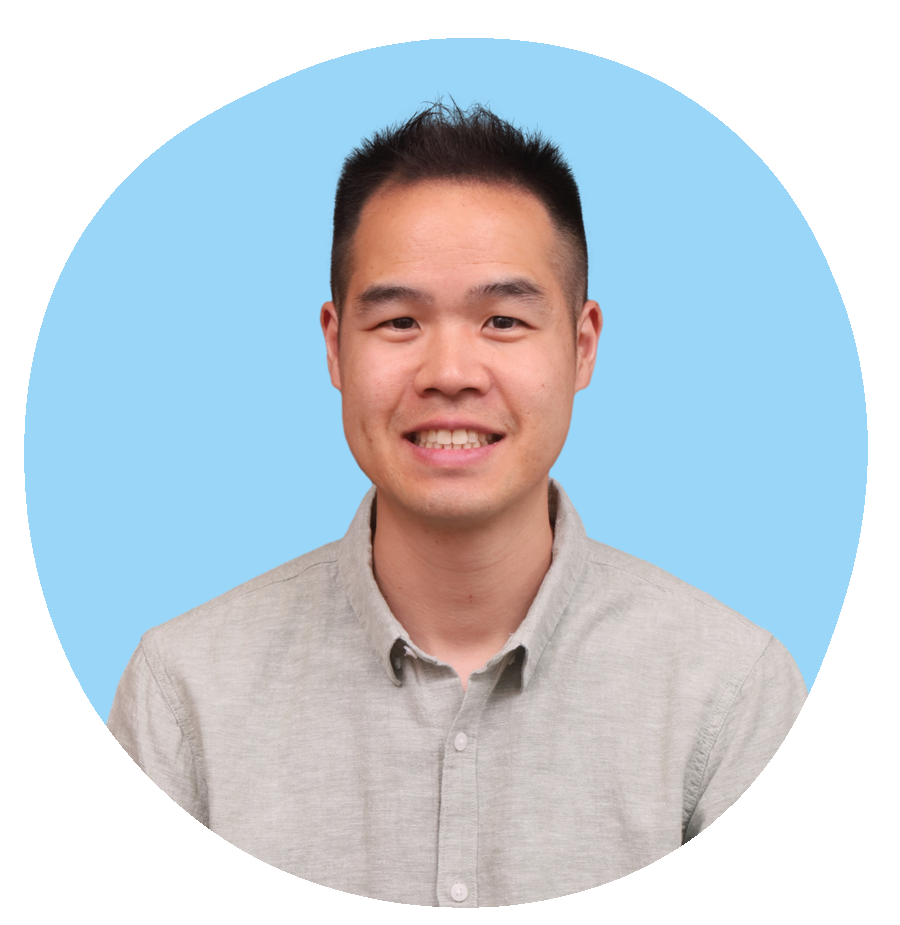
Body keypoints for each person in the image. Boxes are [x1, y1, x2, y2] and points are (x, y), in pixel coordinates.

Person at [108, 101, 807, 909]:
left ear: (582, 346)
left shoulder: (731, 687)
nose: (450, 371)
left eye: (503, 319)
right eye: (399, 319)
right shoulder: (183, 691)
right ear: (335, 345)